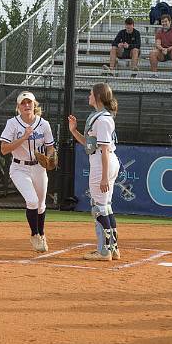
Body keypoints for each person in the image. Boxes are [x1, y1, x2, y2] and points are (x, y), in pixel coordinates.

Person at [68, 83, 120, 261]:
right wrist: (74, 131)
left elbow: (104, 149)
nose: (88, 97)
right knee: (105, 206)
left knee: (98, 208)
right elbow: (90, 144)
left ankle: (104, 250)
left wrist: (104, 177)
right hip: (101, 160)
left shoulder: (104, 119)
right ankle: (112, 247)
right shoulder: (100, 117)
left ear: (98, 96)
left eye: (91, 94)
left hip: (102, 163)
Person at [0, 91, 56, 253]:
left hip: (38, 167)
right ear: (18, 107)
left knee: (41, 204)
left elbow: (50, 147)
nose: (26, 105)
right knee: (32, 201)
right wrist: (24, 137)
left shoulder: (44, 124)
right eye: (23, 103)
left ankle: (42, 233)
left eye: (29, 102)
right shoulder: (12, 124)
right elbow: (4, 149)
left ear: (34, 105)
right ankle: (34, 234)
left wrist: (49, 157)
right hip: (19, 168)